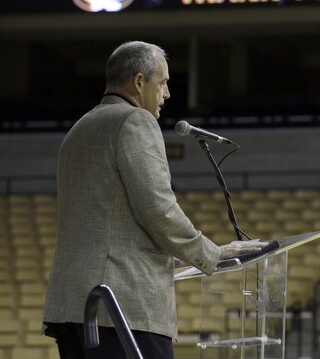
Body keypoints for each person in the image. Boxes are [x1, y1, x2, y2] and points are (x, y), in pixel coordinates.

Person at [42, 41, 267, 359]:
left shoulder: (79, 129)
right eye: (162, 82)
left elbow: (113, 227)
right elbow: (158, 209)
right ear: (138, 82)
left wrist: (178, 258)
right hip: (121, 306)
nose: (167, 93)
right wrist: (211, 254)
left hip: (72, 305)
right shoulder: (134, 121)